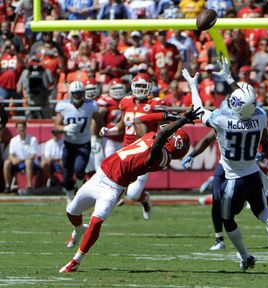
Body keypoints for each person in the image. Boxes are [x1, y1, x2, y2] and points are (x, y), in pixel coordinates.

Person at [59, 107, 200, 273]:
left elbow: (161, 136)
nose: (164, 128)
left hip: (113, 187)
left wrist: (181, 121)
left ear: (170, 142)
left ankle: (76, 261)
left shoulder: (161, 157)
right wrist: (169, 115)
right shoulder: (154, 137)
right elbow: (140, 120)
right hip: (100, 175)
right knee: (71, 212)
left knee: (96, 221)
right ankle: (78, 229)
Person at [182, 57, 268, 271]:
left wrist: (193, 85)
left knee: (227, 218)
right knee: (259, 209)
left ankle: (245, 256)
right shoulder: (261, 116)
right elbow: (244, 100)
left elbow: (198, 108)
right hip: (254, 173)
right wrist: (229, 78)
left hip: (233, 178)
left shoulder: (222, 120)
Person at [100, 72, 181, 219]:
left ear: (150, 87)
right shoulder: (125, 102)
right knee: (115, 182)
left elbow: (164, 126)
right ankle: (101, 212)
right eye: (138, 86)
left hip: (145, 151)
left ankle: (144, 199)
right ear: (132, 86)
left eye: (144, 86)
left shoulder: (156, 103)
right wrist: (109, 130)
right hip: (127, 150)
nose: (140, 90)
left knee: (133, 194)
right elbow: (122, 125)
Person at [54, 81, 103, 204]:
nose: (77, 96)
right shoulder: (63, 106)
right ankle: (70, 197)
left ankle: (80, 182)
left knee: (79, 169)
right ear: (70, 94)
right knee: (67, 173)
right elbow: (56, 126)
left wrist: (96, 137)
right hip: (69, 144)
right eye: (75, 94)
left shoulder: (91, 105)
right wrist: (65, 128)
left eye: (80, 93)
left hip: (84, 143)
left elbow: (98, 120)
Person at [3, 121, 40, 194]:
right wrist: (13, 159)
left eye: (22, 127)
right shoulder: (13, 140)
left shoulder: (33, 139)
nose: (21, 129)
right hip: (18, 164)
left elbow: (33, 155)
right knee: (7, 162)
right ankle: (7, 186)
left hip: (31, 164)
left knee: (28, 162)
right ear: (16, 129)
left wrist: (20, 160)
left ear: (25, 128)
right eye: (19, 127)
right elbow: (11, 154)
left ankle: (29, 186)